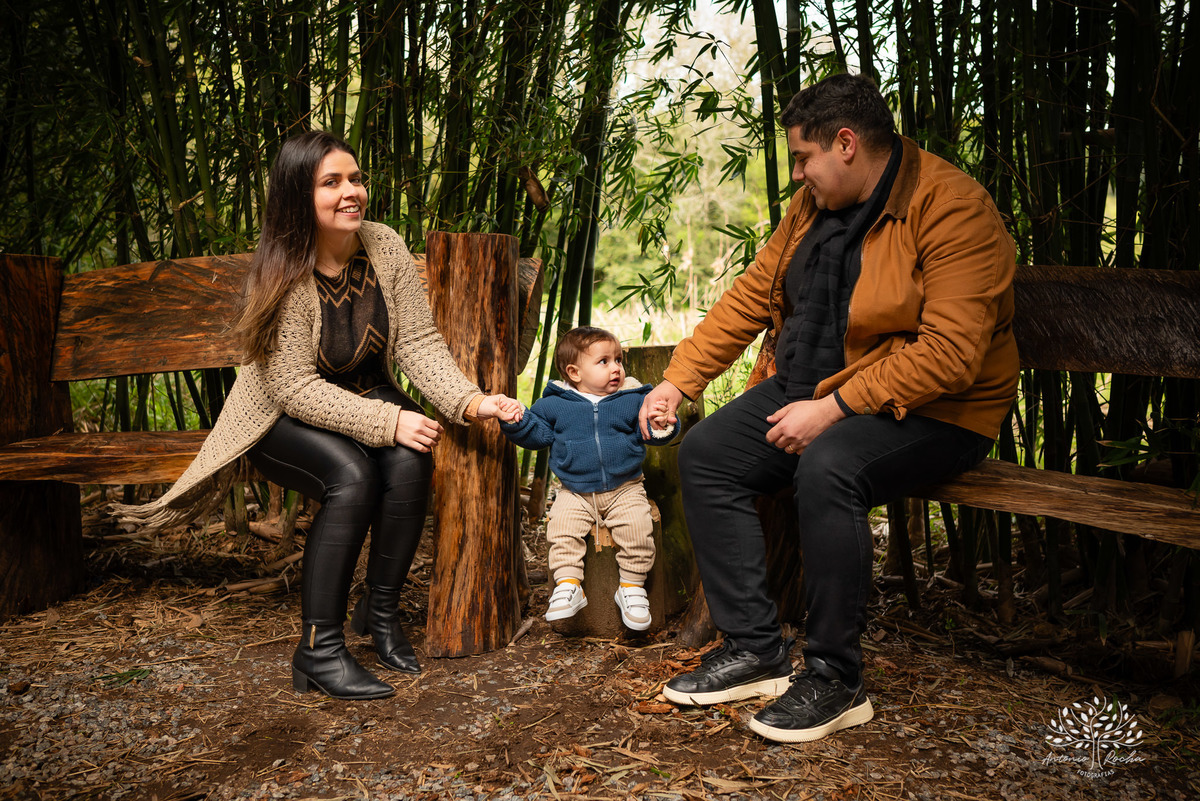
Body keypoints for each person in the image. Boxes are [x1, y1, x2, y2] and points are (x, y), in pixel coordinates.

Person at [638, 74, 1019, 743]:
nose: (797, 174)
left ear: (846, 144)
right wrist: (678, 382)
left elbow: (952, 354)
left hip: (939, 410)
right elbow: (752, 294)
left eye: (802, 158)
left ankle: (836, 677)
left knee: (828, 466)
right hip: (818, 387)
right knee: (707, 453)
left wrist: (837, 407)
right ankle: (756, 649)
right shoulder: (813, 206)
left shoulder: (953, 208)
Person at [114, 131, 522, 701]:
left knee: (411, 460)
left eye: (355, 178)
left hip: (361, 393)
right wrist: (388, 422)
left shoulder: (383, 245)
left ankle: (379, 614)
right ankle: (319, 650)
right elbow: (292, 387)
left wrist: (472, 402)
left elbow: (418, 343)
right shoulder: (283, 272)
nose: (351, 191)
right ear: (298, 197)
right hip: (278, 416)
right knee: (352, 478)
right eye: (331, 182)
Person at [499, 327, 678, 630]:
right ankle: (569, 585)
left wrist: (661, 423)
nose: (616, 368)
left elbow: (651, 431)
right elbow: (537, 435)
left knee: (638, 529)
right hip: (574, 491)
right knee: (561, 530)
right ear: (574, 372)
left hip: (625, 487)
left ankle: (632, 587)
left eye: (618, 360)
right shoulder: (555, 404)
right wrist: (516, 420)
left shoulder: (633, 399)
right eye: (604, 361)